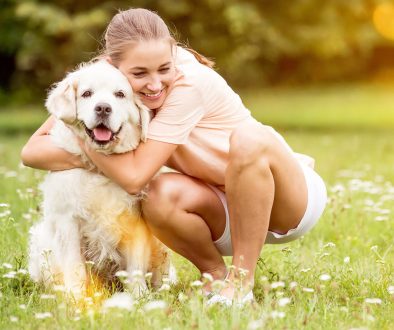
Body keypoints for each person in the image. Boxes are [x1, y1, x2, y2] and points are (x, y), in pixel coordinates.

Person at [21, 8, 327, 305]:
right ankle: (214, 276)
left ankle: (241, 286)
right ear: (113, 66)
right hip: (222, 205)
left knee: (248, 138)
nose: (154, 84)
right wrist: (84, 125)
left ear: (173, 56)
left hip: (284, 204)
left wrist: (84, 133)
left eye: (164, 69)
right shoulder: (104, 83)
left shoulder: (189, 84)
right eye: (139, 73)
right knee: (157, 194)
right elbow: (33, 150)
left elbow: (133, 177)